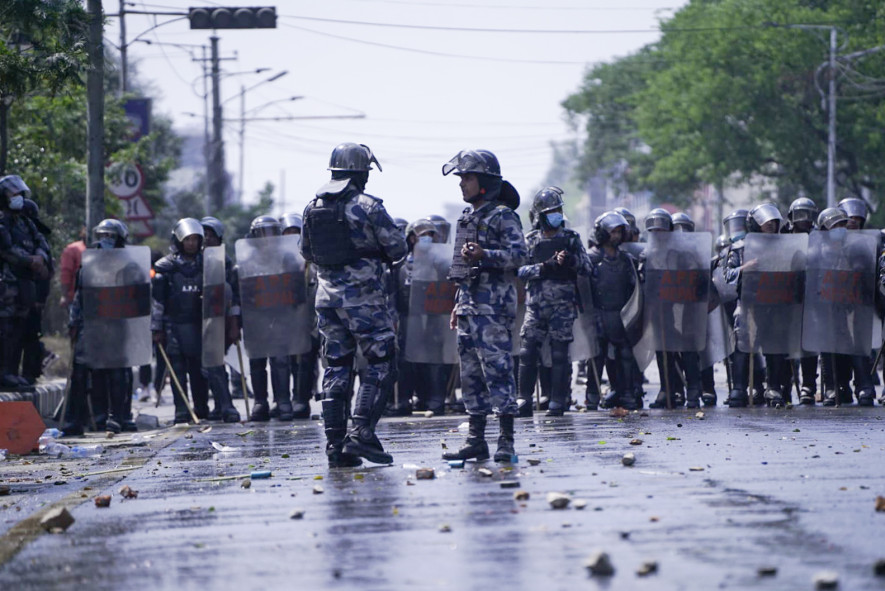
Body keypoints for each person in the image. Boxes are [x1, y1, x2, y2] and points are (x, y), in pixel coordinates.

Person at [302, 143, 407, 467]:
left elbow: (306, 251)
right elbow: (398, 247)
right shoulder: (368, 206)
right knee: (382, 360)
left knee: (336, 365)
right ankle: (361, 433)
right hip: (364, 299)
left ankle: (335, 446)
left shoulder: (311, 207)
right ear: (361, 173)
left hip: (326, 300)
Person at [440, 149, 526, 463]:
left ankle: (506, 441)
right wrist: (457, 303)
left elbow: (520, 255)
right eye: (461, 178)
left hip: (493, 310)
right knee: (471, 377)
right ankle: (476, 440)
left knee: (499, 373)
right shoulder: (466, 217)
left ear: (485, 182)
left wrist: (485, 254)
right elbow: (462, 268)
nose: (462, 183)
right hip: (468, 308)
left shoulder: (503, 216)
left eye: (468, 177)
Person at [517, 186, 588, 417]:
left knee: (559, 354)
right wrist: (545, 267)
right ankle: (523, 400)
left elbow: (588, 268)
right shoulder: (530, 240)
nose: (556, 215)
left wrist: (571, 261)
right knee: (528, 352)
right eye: (550, 212)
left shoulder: (571, 238)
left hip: (563, 306)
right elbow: (520, 271)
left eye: (558, 210)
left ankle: (558, 401)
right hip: (536, 306)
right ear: (540, 215)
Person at [64, 219, 140, 434]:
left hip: (117, 326)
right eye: (103, 235)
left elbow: (137, 297)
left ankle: (118, 416)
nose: (106, 240)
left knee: (117, 373)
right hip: (91, 326)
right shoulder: (89, 264)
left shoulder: (129, 265)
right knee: (81, 372)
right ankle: (76, 420)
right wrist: (74, 322)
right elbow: (79, 296)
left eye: (111, 236)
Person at [151, 218, 210, 423]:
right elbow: (158, 302)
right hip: (174, 326)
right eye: (187, 239)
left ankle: (201, 407)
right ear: (179, 240)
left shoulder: (207, 264)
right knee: (177, 369)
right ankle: (182, 410)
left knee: (199, 369)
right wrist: (157, 328)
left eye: (195, 239)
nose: (191, 243)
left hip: (198, 325)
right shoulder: (166, 268)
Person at [0, 175, 50, 390]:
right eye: (13, 193)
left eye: (20, 193)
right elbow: (7, 250)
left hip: (24, 285)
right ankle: (3, 373)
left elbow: (41, 242)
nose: (18, 197)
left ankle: (12, 372)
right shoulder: (2, 223)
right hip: (6, 285)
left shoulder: (26, 222)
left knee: (19, 331)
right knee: (5, 329)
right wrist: (29, 260)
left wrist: (40, 258)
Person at [585, 211, 638, 410]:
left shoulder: (626, 259)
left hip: (621, 314)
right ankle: (592, 395)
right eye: (612, 232)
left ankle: (626, 393)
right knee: (597, 355)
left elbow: (634, 287)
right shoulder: (591, 258)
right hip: (598, 313)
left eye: (619, 232)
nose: (616, 236)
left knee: (625, 354)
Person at [199, 216, 241, 423]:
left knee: (215, 363)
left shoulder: (227, 264)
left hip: (220, 321)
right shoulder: (193, 262)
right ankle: (214, 406)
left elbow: (234, 298)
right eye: (203, 235)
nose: (207, 239)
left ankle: (226, 405)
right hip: (195, 321)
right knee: (203, 368)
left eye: (211, 235)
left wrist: (234, 324)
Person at [281, 212, 318, 419]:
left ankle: (302, 400)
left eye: (295, 232)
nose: (291, 236)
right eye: (287, 232)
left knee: (306, 360)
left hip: (311, 319)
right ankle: (283, 401)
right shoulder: (279, 262)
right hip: (286, 320)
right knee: (286, 361)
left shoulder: (313, 260)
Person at [785, 198, 819, 405]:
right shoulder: (783, 236)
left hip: (812, 298)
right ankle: (786, 384)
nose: (804, 219)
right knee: (786, 344)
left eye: (807, 214)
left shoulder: (819, 237)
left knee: (809, 343)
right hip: (786, 298)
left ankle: (808, 386)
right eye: (799, 214)